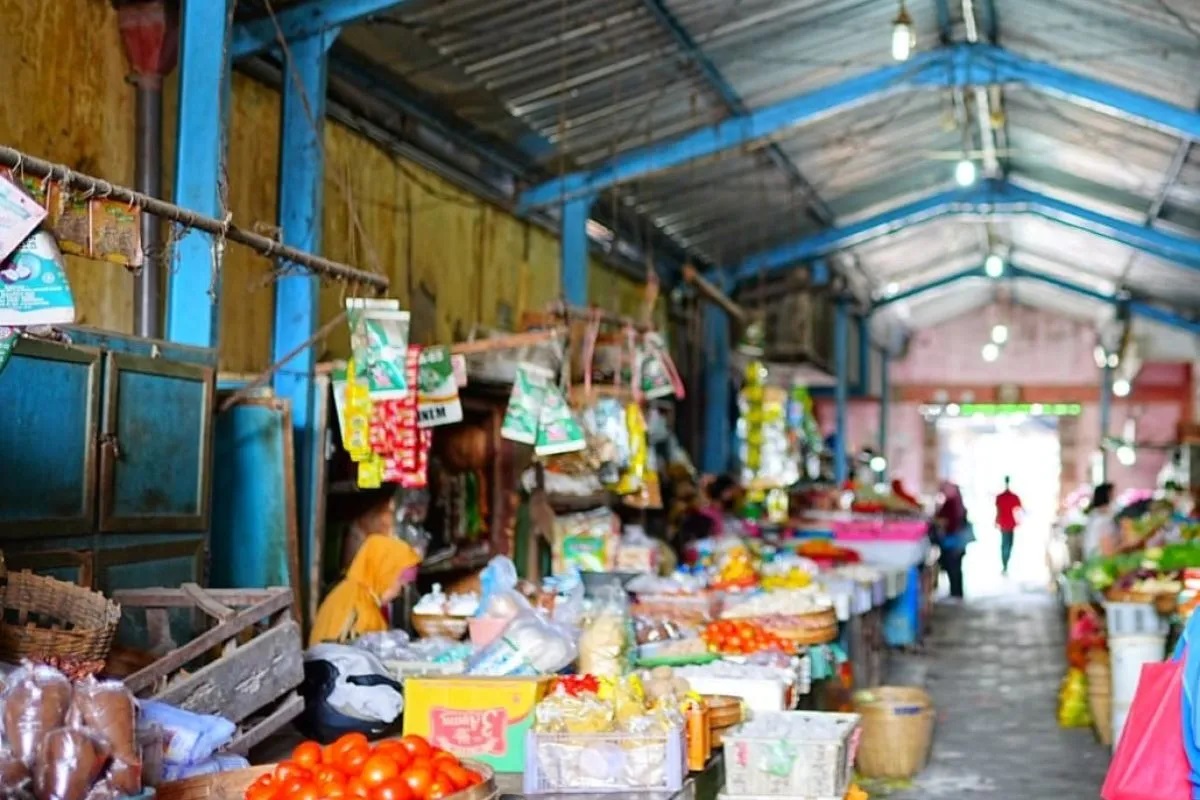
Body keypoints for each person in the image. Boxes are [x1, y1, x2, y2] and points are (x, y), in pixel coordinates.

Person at [310, 534, 422, 646]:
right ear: (384, 574)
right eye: (401, 585)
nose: (399, 593)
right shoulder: (361, 608)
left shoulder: (345, 592)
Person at [934, 481, 972, 600]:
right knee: (956, 568)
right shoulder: (958, 503)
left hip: (953, 541)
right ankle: (956, 592)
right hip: (957, 541)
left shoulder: (950, 503)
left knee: (953, 568)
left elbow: (945, 521)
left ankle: (956, 593)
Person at [995, 476, 1023, 576]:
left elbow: (998, 510)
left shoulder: (1001, 497)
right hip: (1009, 523)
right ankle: (1005, 564)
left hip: (1005, 523)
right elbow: (1019, 510)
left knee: (1005, 544)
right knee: (1008, 544)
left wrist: (996, 521)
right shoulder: (1012, 497)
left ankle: (1005, 563)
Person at [1082, 482, 1118, 559]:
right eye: (1111, 494)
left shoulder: (1096, 514)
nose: (1114, 496)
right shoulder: (1102, 519)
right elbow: (1107, 549)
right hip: (1100, 558)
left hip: (1094, 556)